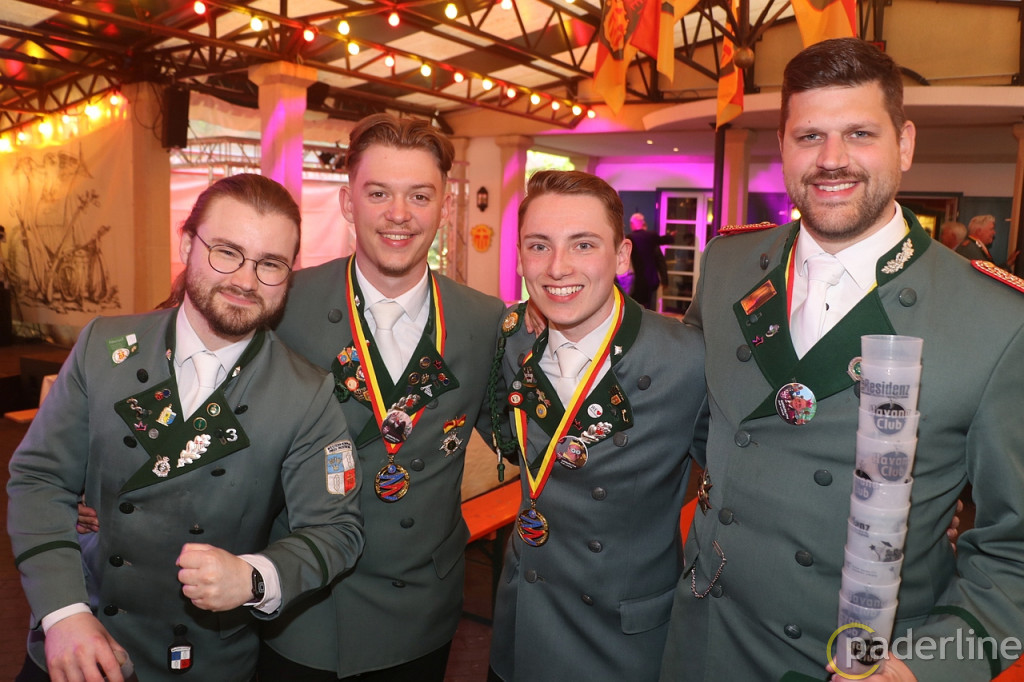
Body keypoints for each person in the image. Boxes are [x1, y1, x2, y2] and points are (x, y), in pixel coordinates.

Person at [660, 37, 1024, 682]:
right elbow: (688, 417)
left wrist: (927, 666)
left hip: (858, 662)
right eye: (809, 136)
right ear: (782, 147)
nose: (831, 159)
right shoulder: (727, 264)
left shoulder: (997, 320)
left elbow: (1014, 557)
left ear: (904, 144)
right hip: (703, 642)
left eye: (859, 133)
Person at [7, 173, 364, 681]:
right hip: (80, 635)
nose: (246, 280)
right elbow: (40, 479)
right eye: (227, 252)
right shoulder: (104, 347)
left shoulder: (305, 394)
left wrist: (254, 577)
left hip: (201, 658)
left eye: (270, 264)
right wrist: (63, 612)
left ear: (291, 273)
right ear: (186, 245)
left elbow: (337, 530)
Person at [257, 113, 506, 681]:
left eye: (419, 195)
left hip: (419, 610)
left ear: (444, 205)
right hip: (306, 606)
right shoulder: (285, 305)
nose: (399, 214)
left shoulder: (484, 320)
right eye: (378, 193)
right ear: (348, 203)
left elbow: (525, 438)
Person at [486, 170, 705, 681]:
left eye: (583, 244)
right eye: (539, 246)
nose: (557, 267)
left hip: (623, 639)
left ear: (622, 256)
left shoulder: (687, 360)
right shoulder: (510, 343)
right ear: (520, 258)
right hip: (523, 623)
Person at [625, 212, 675, 309]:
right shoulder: (651, 236)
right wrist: (671, 236)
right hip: (650, 279)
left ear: (632, 224)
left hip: (635, 279)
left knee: (634, 306)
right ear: (643, 223)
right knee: (648, 308)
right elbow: (663, 241)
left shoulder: (629, 239)